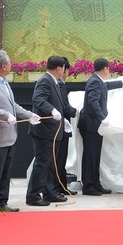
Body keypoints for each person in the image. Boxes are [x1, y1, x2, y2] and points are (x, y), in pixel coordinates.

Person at [0, 50, 40, 212]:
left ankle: (2, 202)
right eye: (10, 62)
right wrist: (5, 115)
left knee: (5, 173)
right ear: (4, 66)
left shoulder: (3, 81)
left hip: (9, 135)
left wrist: (30, 115)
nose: (11, 65)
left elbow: (14, 106)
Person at [78, 58, 123, 195]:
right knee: (90, 156)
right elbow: (93, 101)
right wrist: (102, 118)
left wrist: (121, 83)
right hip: (91, 124)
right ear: (105, 69)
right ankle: (89, 186)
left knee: (95, 156)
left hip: (94, 125)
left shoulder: (97, 81)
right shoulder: (95, 82)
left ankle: (95, 184)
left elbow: (105, 86)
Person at [26, 55, 69, 206]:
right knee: (42, 163)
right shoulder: (45, 80)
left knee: (50, 163)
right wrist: (52, 110)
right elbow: (38, 99)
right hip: (44, 131)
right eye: (63, 68)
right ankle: (33, 195)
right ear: (59, 68)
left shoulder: (54, 82)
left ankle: (49, 192)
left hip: (53, 130)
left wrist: (64, 119)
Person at [54, 56, 77, 196]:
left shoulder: (56, 83)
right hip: (62, 127)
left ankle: (61, 186)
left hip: (59, 127)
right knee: (60, 159)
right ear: (65, 70)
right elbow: (65, 106)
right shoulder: (60, 84)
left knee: (60, 159)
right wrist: (77, 112)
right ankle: (60, 186)